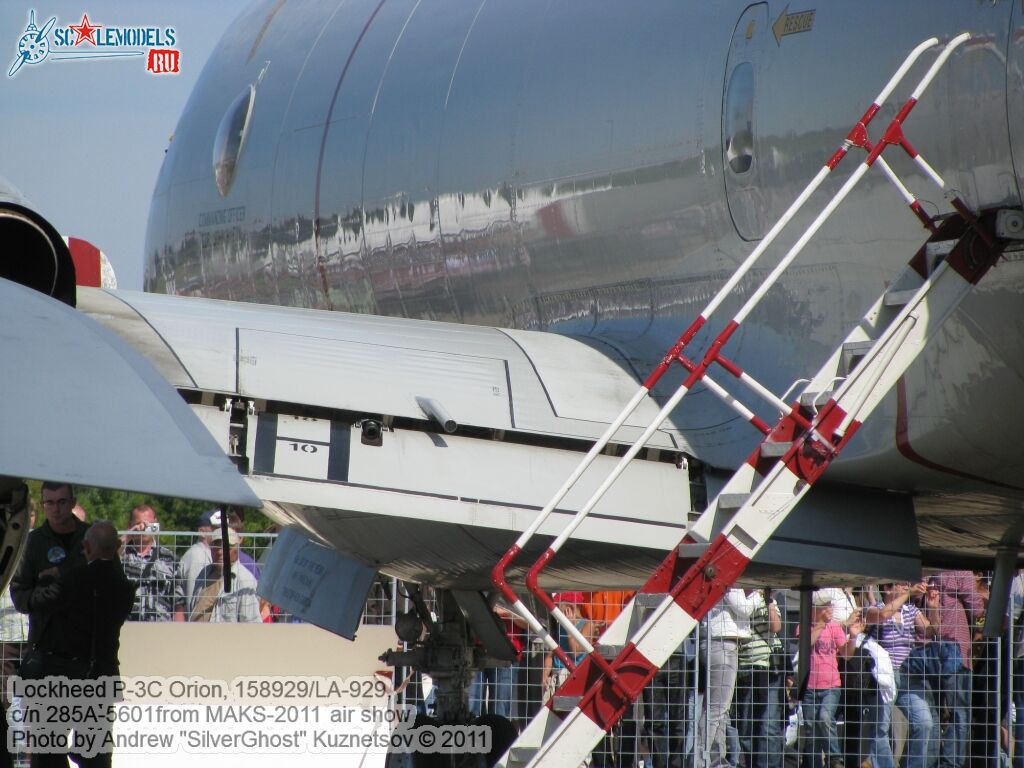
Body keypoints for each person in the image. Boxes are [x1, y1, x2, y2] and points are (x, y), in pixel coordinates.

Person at [864, 581, 934, 768]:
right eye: (901, 585)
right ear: (887, 589)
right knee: (880, 728)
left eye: (907, 585)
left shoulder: (910, 609)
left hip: (908, 675)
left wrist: (933, 608)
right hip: (885, 675)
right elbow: (882, 615)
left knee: (924, 722)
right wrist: (910, 592)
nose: (905, 587)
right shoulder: (874, 608)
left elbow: (929, 631)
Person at [924, 571, 984, 768]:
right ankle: (950, 764)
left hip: (924, 645)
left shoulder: (923, 568)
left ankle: (931, 762)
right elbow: (976, 607)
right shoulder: (959, 570)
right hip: (955, 645)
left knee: (932, 711)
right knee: (960, 712)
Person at [696, 589, 759, 768]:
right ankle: (702, 759)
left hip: (720, 642)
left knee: (719, 709)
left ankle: (715, 760)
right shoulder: (731, 577)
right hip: (721, 643)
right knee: (717, 709)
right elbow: (743, 608)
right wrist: (758, 595)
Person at [800, 590, 853, 768]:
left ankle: (835, 758)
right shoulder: (805, 626)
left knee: (824, 717)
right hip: (808, 686)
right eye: (825, 606)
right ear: (815, 609)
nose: (829, 609)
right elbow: (805, 645)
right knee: (811, 729)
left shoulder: (834, 627)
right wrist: (821, 623)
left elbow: (846, 654)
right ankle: (813, 763)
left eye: (830, 605)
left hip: (831, 685)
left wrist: (852, 636)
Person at [121, 504, 184, 622]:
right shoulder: (119, 556)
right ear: (130, 525)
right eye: (139, 523)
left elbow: (178, 604)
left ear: (156, 524)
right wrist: (127, 536)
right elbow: (104, 559)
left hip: (161, 632)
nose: (144, 527)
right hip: (127, 630)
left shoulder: (170, 559)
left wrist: (178, 633)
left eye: (148, 523)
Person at [187, 529, 261, 623]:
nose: (220, 552)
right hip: (195, 635)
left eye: (227, 547)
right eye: (216, 546)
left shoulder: (245, 581)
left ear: (236, 549)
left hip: (224, 637)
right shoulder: (204, 573)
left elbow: (252, 624)